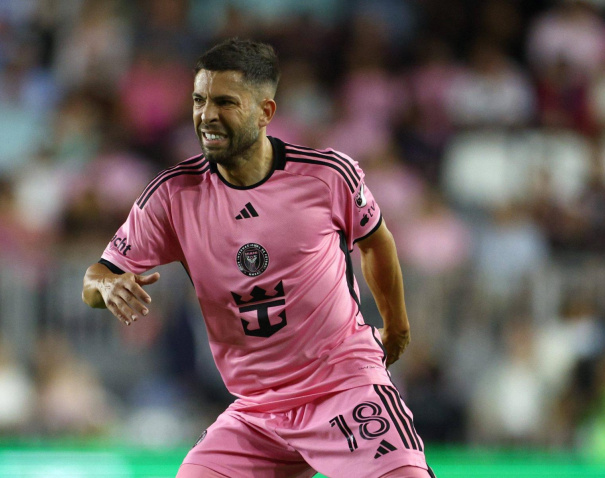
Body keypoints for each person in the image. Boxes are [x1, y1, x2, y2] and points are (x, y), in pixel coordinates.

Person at [83, 38, 435, 478]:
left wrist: (397, 327)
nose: (206, 115)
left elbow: (376, 242)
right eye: (199, 100)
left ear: (265, 112)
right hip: (256, 411)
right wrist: (108, 285)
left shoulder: (326, 176)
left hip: (344, 389)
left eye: (225, 102)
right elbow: (96, 277)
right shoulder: (173, 195)